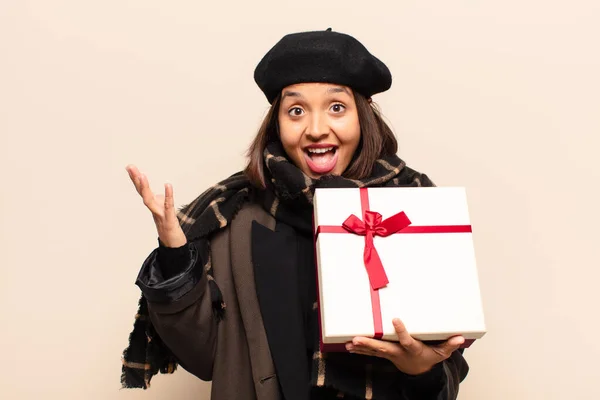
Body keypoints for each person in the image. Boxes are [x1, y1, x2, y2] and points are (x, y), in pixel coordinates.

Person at [121, 28, 470, 400]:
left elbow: (446, 365)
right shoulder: (235, 216)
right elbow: (205, 357)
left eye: (337, 107)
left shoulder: (414, 208)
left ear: (362, 118)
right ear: (277, 123)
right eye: (296, 111)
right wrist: (175, 252)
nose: (316, 130)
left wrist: (421, 370)